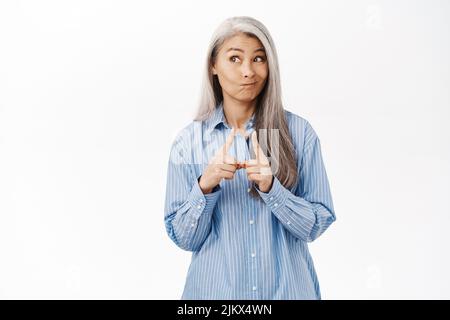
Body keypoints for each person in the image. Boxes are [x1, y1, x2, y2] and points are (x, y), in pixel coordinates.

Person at [164, 16, 336, 300]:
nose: (248, 71)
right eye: (234, 58)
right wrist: (205, 186)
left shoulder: (299, 134)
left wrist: (272, 189)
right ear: (213, 65)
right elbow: (183, 238)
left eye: (258, 58)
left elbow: (316, 225)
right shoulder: (188, 142)